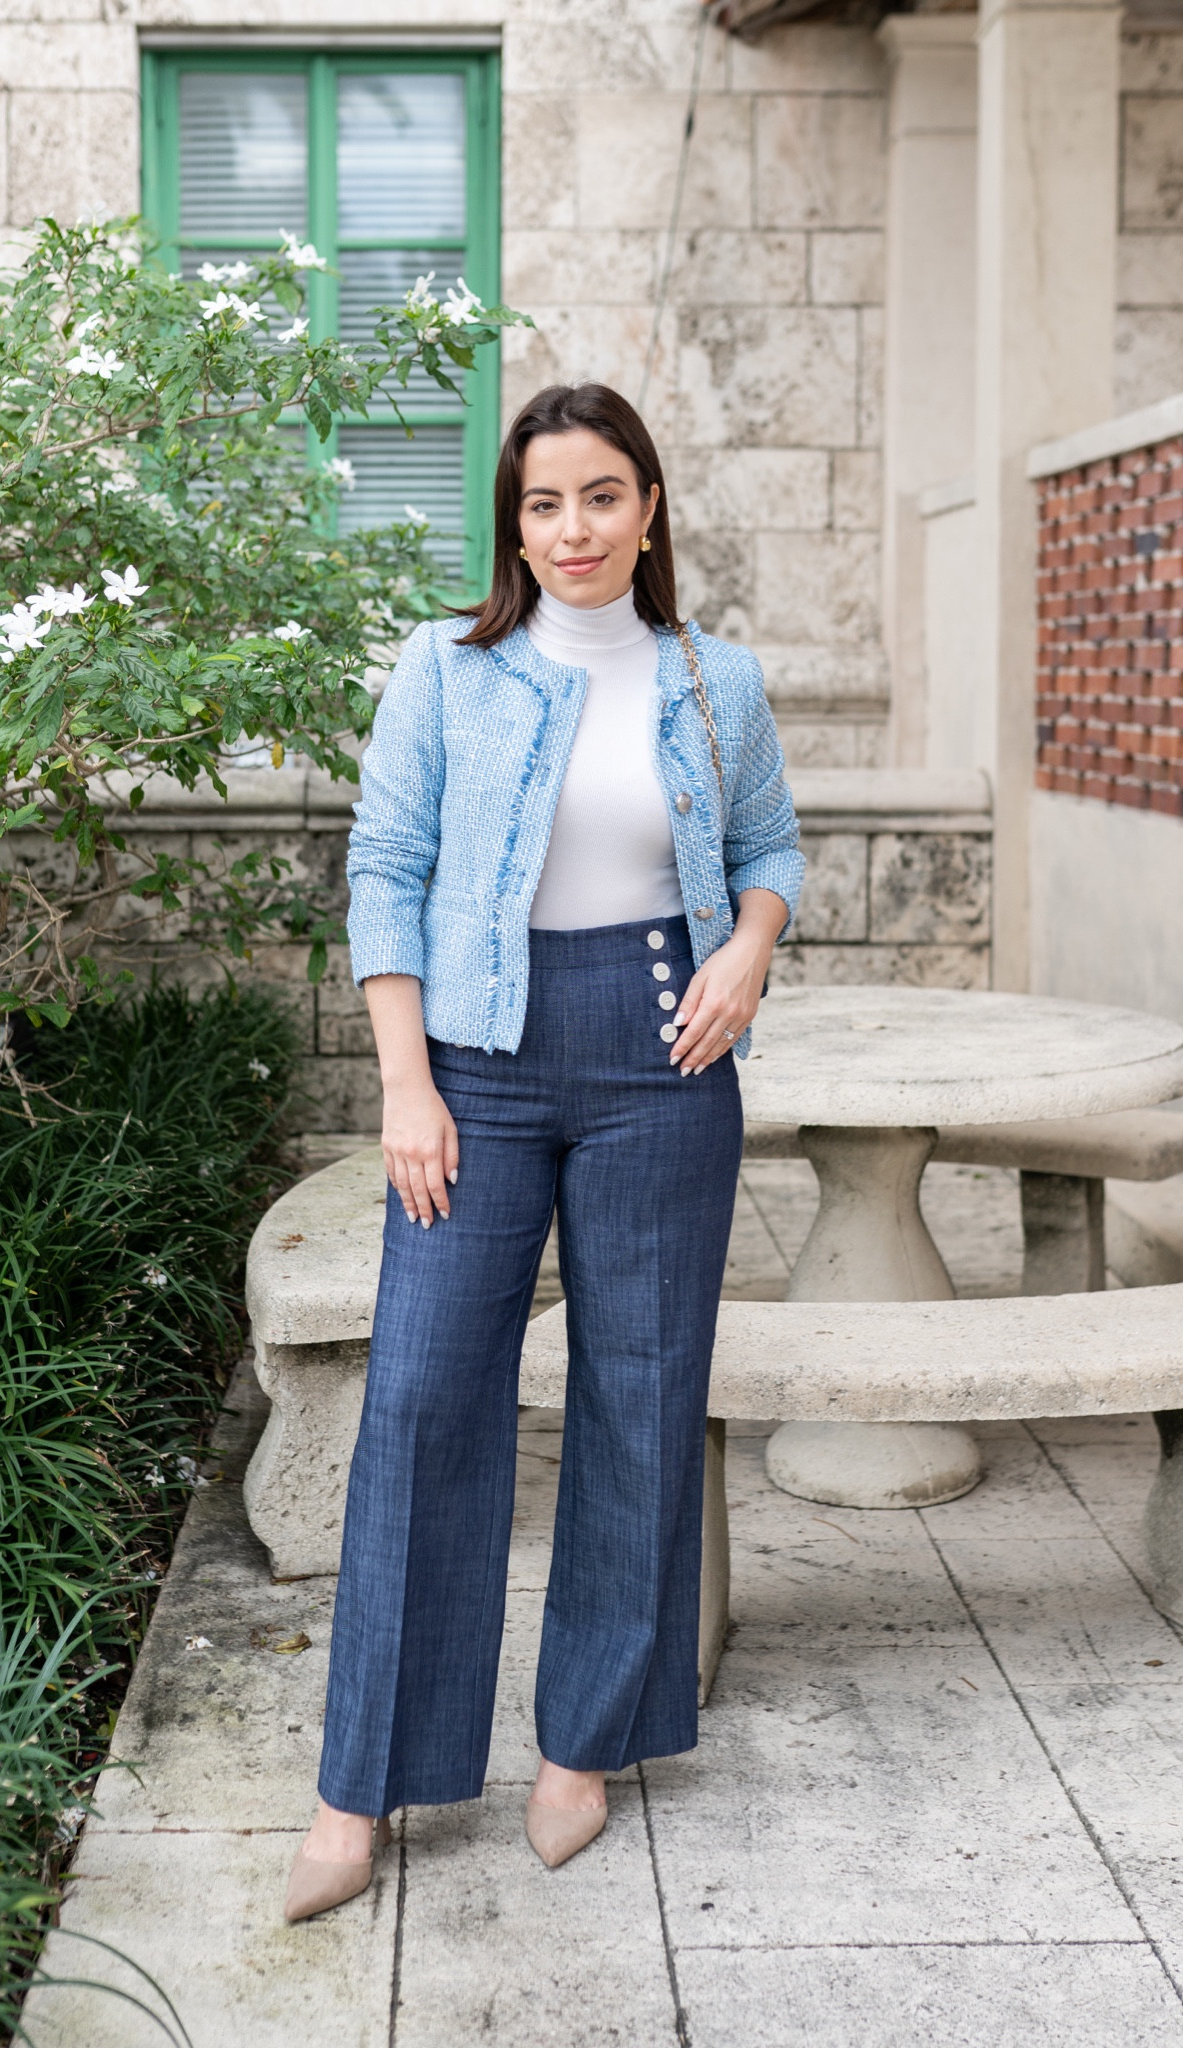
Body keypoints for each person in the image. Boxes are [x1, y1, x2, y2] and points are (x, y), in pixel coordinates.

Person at [285, 381, 804, 1922]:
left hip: (665, 1055)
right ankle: (357, 1783)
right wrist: (405, 1083)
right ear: (511, 522)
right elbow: (385, 869)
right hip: (478, 1063)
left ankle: (585, 1742)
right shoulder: (447, 672)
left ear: (648, 506)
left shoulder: (718, 681)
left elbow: (770, 848)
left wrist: (750, 952)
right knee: (428, 1395)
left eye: (601, 495)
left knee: (639, 1397)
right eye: (541, 502)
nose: (572, 528)